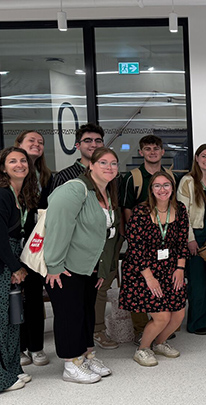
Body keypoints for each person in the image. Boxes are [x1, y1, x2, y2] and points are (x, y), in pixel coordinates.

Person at [44, 147, 118, 384]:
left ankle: (86, 355)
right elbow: (58, 225)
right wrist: (54, 265)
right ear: (91, 166)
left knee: (86, 312)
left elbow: (106, 235)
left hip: (90, 267)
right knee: (70, 314)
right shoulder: (76, 188)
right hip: (67, 266)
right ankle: (71, 363)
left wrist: (103, 269)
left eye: (114, 163)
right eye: (104, 162)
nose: (109, 167)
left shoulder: (106, 193)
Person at [120, 172, 189, 366]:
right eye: (157, 186)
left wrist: (180, 268)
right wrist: (149, 278)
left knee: (178, 314)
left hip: (171, 268)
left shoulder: (180, 209)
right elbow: (135, 248)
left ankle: (159, 343)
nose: (162, 189)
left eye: (166, 185)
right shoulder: (140, 212)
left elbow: (182, 242)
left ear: (172, 188)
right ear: (151, 190)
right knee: (162, 316)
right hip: (142, 271)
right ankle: (142, 349)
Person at [119, 135, 179, 346]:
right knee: (143, 286)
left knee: (160, 286)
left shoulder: (171, 176)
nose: (152, 152)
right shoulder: (132, 177)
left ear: (163, 152)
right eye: (148, 148)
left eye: (156, 148)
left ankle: (159, 329)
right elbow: (126, 208)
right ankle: (140, 332)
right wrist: (133, 235)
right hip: (141, 241)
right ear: (141, 152)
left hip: (163, 246)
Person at [14, 131, 52, 367]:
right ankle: (19, 347)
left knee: (35, 297)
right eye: (31, 141)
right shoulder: (6, 177)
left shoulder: (46, 176)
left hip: (36, 244)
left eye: (40, 142)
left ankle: (36, 347)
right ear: (18, 145)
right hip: (11, 242)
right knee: (14, 298)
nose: (37, 144)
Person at [177, 144, 206, 335]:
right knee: (197, 281)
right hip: (196, 233)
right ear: (196, 158)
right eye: (203, 156)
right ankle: (196, 323)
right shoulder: (188, 181)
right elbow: (183, 213)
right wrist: (189, 239)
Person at [0, 147, 35, 392]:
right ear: (3, 168)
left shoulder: (22, 194)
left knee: (13, 319)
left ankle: (13, 369)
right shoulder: (2, 194)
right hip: (3, 262)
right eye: (12, 161)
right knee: (2, 321)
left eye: (23, 160)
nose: (19, 164)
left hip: (13, 259)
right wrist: (14, 267)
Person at [52, 123, 105, 188]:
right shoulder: (63, 177)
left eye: (98, 141)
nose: (94, 145)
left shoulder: (112, 174)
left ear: (103, 145)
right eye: (88, 141)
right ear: (78, 146)